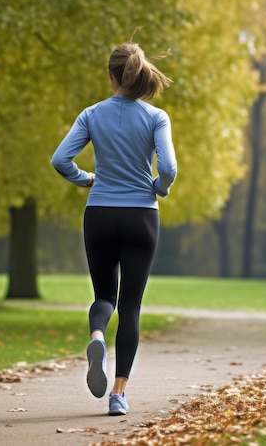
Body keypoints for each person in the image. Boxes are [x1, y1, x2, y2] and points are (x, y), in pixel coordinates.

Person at [51, 34, 177, 416]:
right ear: (139, 77)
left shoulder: (91, 114)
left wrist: (87, 178)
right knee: (131, 305)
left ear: (111, 74)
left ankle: (96, 337)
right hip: (142, 216)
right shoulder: (156, 117)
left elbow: (60, 160)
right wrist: (160, 187)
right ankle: (119, 394)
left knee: (104, 295)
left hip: (100, 213)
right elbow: (169, 168)